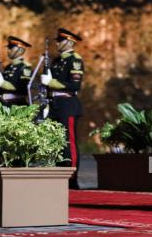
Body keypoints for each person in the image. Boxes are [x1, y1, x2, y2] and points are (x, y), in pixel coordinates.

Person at [41, 28, 84, 189]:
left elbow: (74, 85)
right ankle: (58, 175)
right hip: (55, 104)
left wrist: (50, 82)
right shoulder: (56, 61)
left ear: (70, 42)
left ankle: (72, 179)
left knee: (68, 142)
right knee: (55, 143)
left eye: (61, 40)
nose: (57, 43)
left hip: (67, 105)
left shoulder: (75, 60)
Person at [0, 36, 32, 106]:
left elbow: (21, 88)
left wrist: (2, 83)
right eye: (8, 48)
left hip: (17, 104)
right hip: (4, 103)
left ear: (19, 50)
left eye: (11, 48)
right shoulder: (8, 67)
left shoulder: (25, 67)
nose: (8, 50)